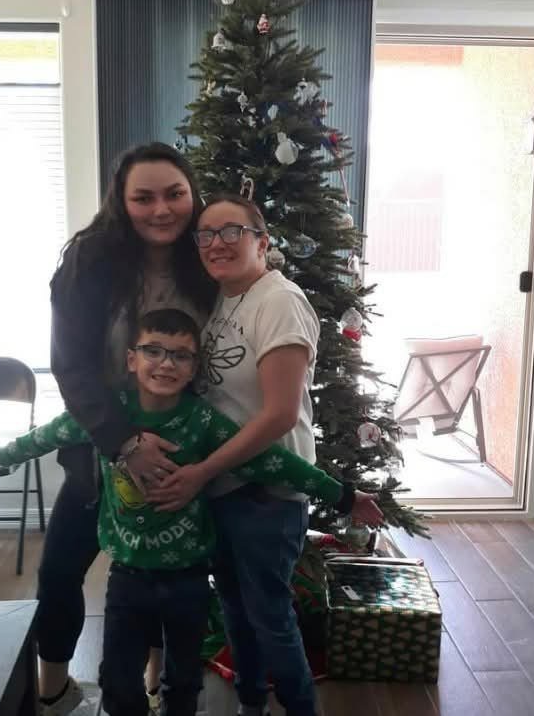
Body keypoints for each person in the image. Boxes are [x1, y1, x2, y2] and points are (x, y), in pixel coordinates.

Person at [0, 308, 382, 716]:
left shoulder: (203, 420)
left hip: (187, 579)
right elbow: (51, 433)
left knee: (183, 682)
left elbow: (272, 461)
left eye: (180, 355)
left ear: (194, 368)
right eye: (153, 351)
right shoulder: (107, 416)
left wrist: (343, 496)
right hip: (127, 576)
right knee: (117, 679)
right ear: (131, 359)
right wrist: (5, 454)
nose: (166, 363)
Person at [145, 195, 382, 716]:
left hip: (266, 493)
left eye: (231, 231)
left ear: (263, 241)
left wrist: (201, 472)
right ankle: (251, 705)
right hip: (223, 487)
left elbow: (278, 414)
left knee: (270, 618)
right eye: (205, 235)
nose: (216, 243)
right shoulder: (222, 300)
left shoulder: (279, 301)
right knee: (234, 607)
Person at [37, 143, 217, 716]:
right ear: (121, 200)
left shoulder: (209, 255)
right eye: (144, 197)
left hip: (182, 446)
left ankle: (157, 688)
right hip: (99, 445)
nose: (161, 209)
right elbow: (71, 366)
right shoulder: (88, 261)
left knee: (165, 572)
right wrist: (124, 442)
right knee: (59, 570)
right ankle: (52, 690)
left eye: (174, 194)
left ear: (192, 195)